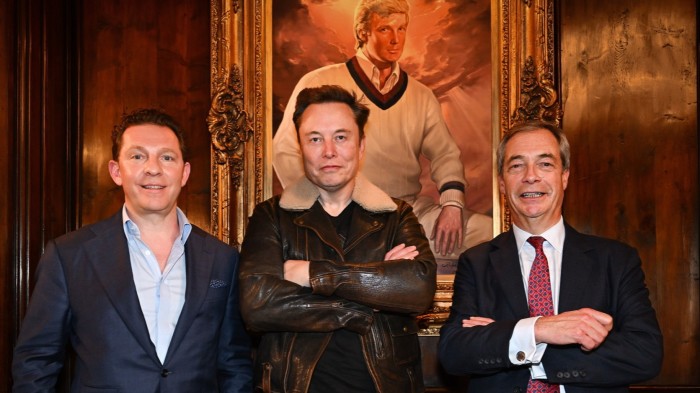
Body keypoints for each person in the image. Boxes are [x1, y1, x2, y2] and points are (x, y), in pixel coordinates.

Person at [12, 108, 253, 392]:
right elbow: (36, 362)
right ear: (116, 171)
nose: (153, 168)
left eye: (167, 157)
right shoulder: (69, 256)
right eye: (138, 156)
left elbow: (234, 364)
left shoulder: (223, 259)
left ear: (184, 172)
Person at [438, 121, 663, 392]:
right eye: (516, 165)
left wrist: (513, 338)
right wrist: (540, 329)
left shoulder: (615, 260)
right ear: (501, 181)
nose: (531, 176)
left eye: (545, 164)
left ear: (564, 176)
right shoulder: (476, 262)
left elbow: (645, 354)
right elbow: (454, 353)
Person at [239, 85, 436, 393]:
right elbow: (258, 304)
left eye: (341, 137)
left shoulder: (396, 214)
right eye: (315, 139)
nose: (328, 151)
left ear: (361, 146)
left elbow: (418, 288)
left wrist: (312, 274)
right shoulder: (271, 216)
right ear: (300, 147)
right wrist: (366, 302)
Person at [272, 0, 492, 259]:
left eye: (401, 29)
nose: (396, 39)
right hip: (340, 216)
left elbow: (445, 155)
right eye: (385, 29)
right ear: (363, 32)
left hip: (408, 213)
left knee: (490, 233)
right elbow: (284, 150)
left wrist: (452, 205)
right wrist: (321, 210)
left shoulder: (421, 95)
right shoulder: (319, 82)